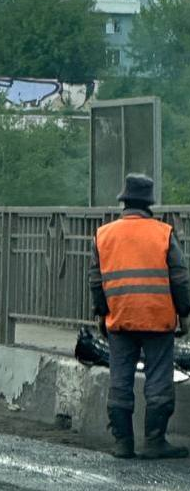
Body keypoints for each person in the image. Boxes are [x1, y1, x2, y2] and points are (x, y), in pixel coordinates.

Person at [89, 173, 190, 459]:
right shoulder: (163, 233)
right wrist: (184, 312)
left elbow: (96, 281)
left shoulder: (103, 234)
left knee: (120, 379)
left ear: (124, 201)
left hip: (119, 318)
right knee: (158, 378)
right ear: (149, 203)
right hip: (158, 319)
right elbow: (180, 279)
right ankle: (154, 441)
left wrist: (101, 312)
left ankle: (123, 443)